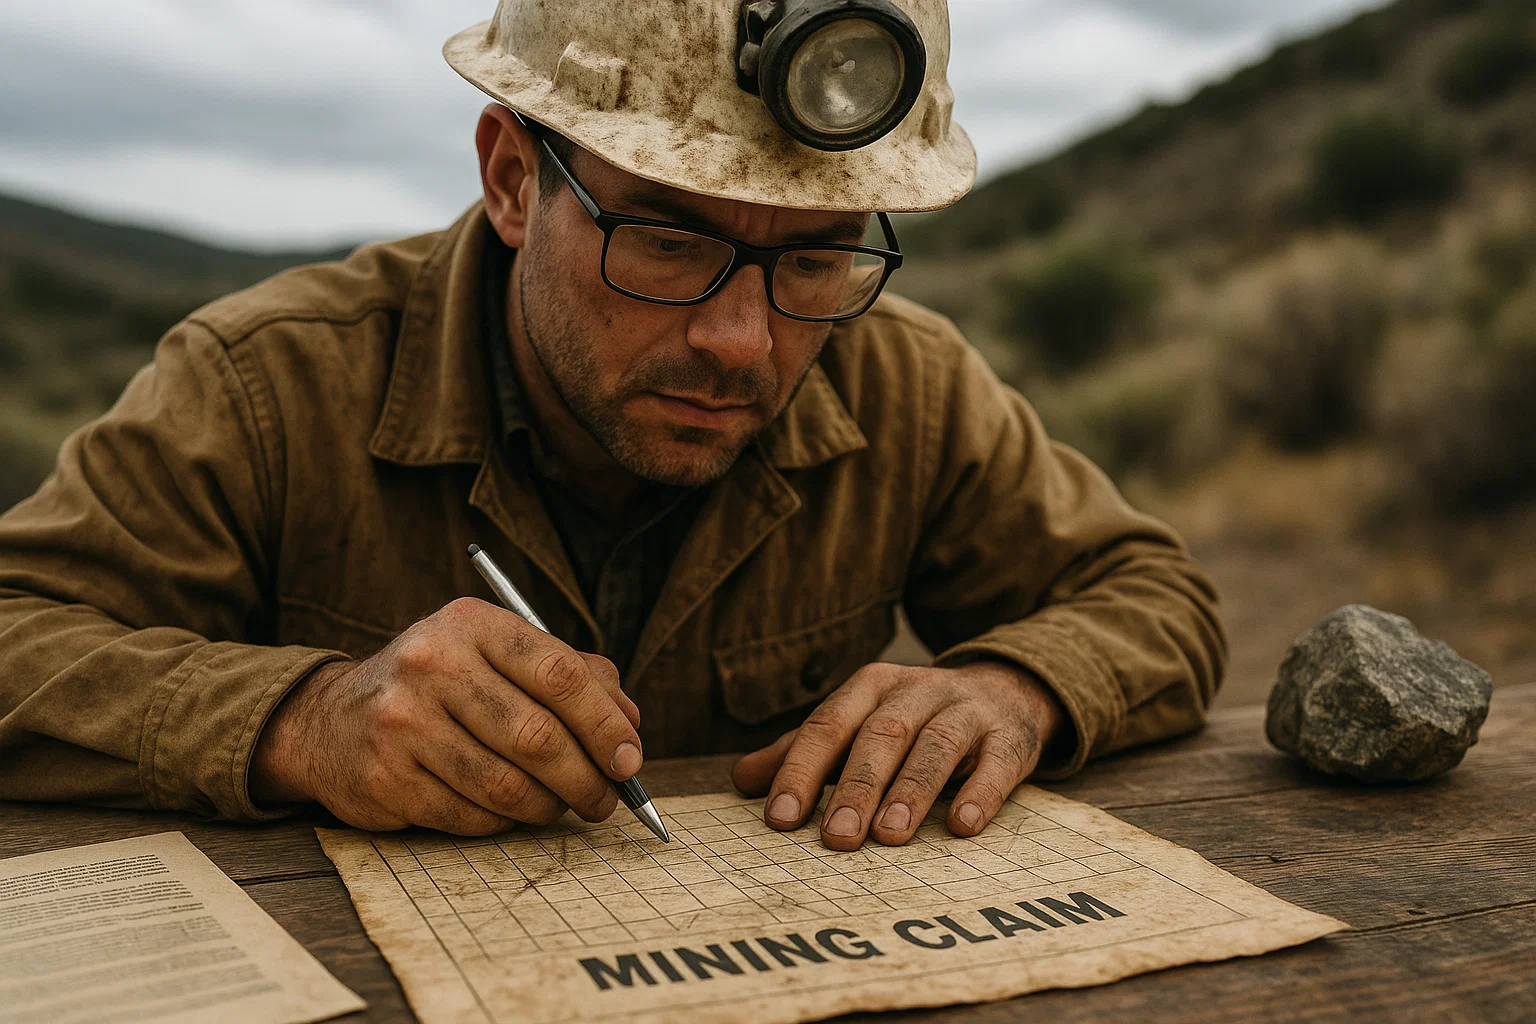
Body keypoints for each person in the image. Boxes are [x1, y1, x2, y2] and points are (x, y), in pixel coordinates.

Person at [0, 0, 1225, 851]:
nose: (743, 340)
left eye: (814, 258)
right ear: (513, 178)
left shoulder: (905, 381)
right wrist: (301, 722)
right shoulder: (263, 384)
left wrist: (1015, 688)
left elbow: (1152, 592)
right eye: (670, 239)